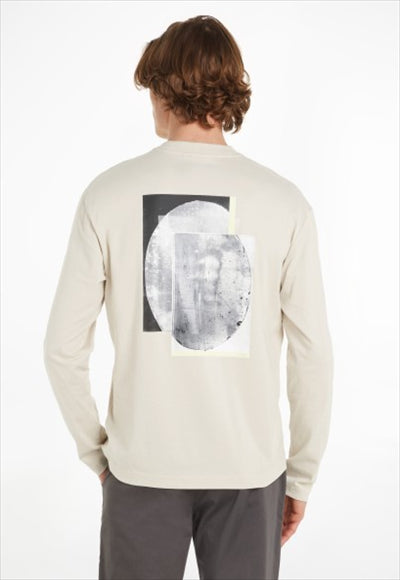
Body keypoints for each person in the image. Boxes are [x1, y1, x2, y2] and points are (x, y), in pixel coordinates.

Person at [43, 14, 334, 580]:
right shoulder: (284, 202)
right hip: (250, 470)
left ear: (163, 88)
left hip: (141, 467)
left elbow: (61, 347)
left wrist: (97, 453)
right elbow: (313, 354)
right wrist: (300, 476)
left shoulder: (107, 195)